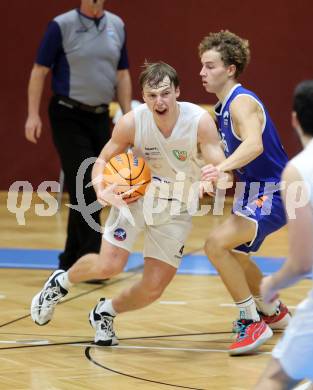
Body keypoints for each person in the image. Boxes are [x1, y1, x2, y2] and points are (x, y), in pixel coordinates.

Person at [30, 61, 227, 346]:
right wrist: (101, 190)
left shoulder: (199, 121)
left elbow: (220, 165)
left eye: (165, 93)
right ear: (143, 96)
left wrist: (215, 177)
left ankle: (104, 312)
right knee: (109, 266)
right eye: (152, 95)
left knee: (153, 288)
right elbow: (101, 160)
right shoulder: (132, 122)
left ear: (177, 92)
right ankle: (60, 284)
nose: (159, 101)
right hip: (135, 199)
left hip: (177, 207)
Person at [198, 30, 291, 355]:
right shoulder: (221, 111)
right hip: (254, 193)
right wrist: (210, 176)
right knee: (235, 253)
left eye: (210, 66)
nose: (202, 72)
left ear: (231, 69)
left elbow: (254, 144)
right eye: (202, 66)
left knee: (215, 244)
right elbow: (227, 163)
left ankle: (252, 321)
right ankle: (272, 308)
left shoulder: (242, 102)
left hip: (277, 191)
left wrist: (222, 169)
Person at [24, 0, 132, 271]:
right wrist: (32, 115)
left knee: (88, 186)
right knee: (87, 181)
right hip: (67, 114)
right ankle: (91, 259)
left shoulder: (116, 25)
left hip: (99, 117)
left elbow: (122, 74)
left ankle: (70, 258)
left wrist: (130, 117)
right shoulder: (62, 25)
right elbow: (39, 71)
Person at [254, 79, 313, 390]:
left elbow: (302, 262)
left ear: (294, 119)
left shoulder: (297, 170)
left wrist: (271, 284)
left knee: (275, 380)